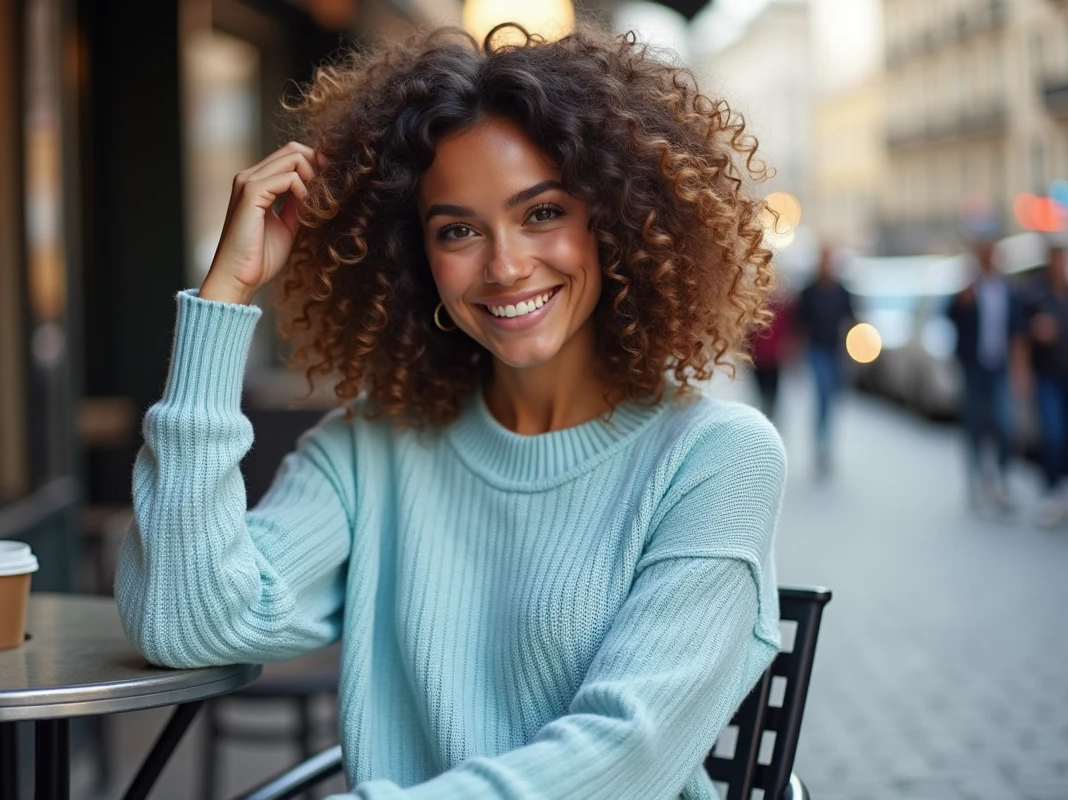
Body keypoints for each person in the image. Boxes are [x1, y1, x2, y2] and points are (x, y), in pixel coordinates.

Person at [116, 25, 786, 799]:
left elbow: (624, 758)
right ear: (416, 257)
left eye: (542, 213)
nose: (505, 266)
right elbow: (183, 623)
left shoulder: (715, 457)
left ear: (616, 222)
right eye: (458, 230)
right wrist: (224, 298)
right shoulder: (372, 449)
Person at [948, 240, 1024, 512]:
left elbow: (1016, 332)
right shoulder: (970, 289)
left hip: (999, 368)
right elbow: (950, 316)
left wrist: (1019, 370)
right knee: (975, 426)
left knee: (1005, 426)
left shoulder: (1008, 291)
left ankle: (1002, 480)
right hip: (975, 368)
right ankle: (976, 480)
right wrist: (961, 301)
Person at [794, 246, 854, 472]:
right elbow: (800, 322)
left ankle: (827, 443)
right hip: (816, 350)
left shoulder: (842, 291)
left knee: (832, 399)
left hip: (836, 350)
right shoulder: (810, 291)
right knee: (822, 396)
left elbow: (851, 320)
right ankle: (820, 444)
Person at [1020, 244, 1068, 525]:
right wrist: (1022, 373)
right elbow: (1020, 336)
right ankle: (1051, 491)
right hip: (1047, 376)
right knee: (1053, 435)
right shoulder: (1035, 294)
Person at [750, 288, 794, 423]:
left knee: (772, 390)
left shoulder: (780, 311)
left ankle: (769, 414)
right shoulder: (755, 310)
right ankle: (766, 413)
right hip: (759, 357)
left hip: (773, 357)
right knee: (763, 390)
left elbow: (786, 333)